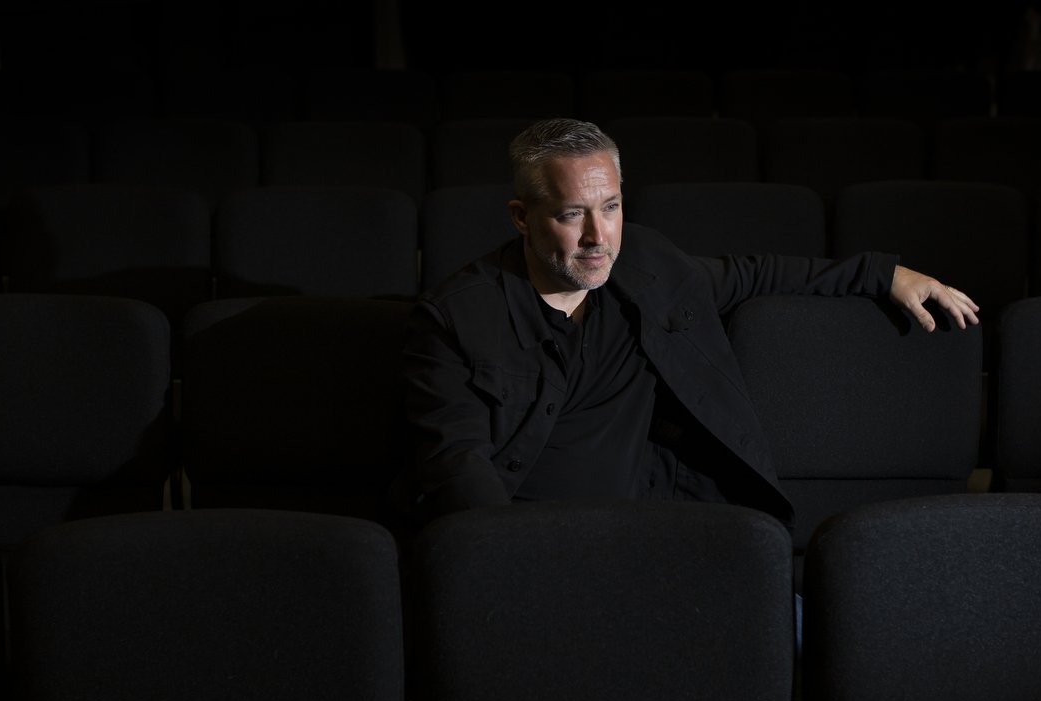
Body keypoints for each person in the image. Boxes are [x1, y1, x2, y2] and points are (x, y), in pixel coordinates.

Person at [393, 117, 979, 545]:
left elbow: (759, 272)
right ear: (523, 217)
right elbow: (457, 466)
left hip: (646, 530)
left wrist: (885, 273)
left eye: (613, 207)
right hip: (522, 542)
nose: (601, 237)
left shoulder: (650, 266)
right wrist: (515, 563)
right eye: (573, 214)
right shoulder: (454, 317)